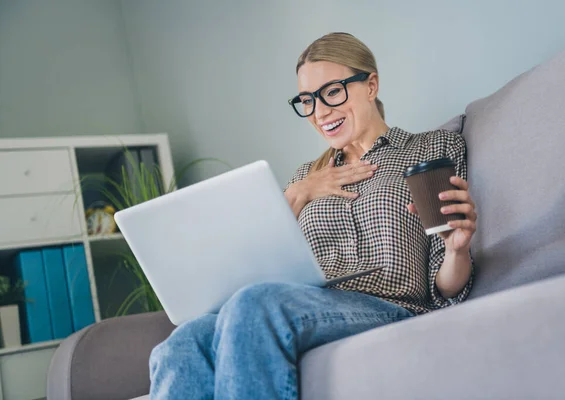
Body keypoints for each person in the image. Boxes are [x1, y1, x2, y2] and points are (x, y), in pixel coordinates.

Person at [149, 32, 477, 400]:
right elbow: (267, 266)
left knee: (254, 306)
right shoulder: (305, 177)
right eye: (307, 100)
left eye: (332, 92)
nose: (320, 112)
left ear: (371, 85)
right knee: (182, 342)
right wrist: (300, 192)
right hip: (306, 307)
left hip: (393, 305)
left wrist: (457, 249)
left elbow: (445, 288)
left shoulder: (432, 148)